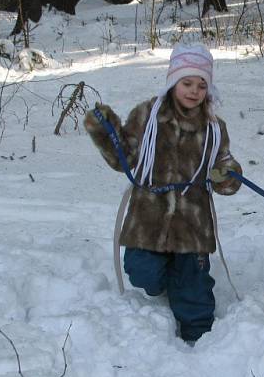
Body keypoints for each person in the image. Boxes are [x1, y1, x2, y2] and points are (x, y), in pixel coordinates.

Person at [84, 43, 242, 342]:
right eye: (187, 83)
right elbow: (125, 159)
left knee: (194, 287)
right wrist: (106, 135)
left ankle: (199, 338)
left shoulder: (214, 127)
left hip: (193, 224)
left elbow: (224, 161)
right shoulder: (147, 116)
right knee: (141, 271)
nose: (194, 91)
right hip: (149, 219)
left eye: (201, 85)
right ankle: (168, 277)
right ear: (173, 80)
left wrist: (227, 176)